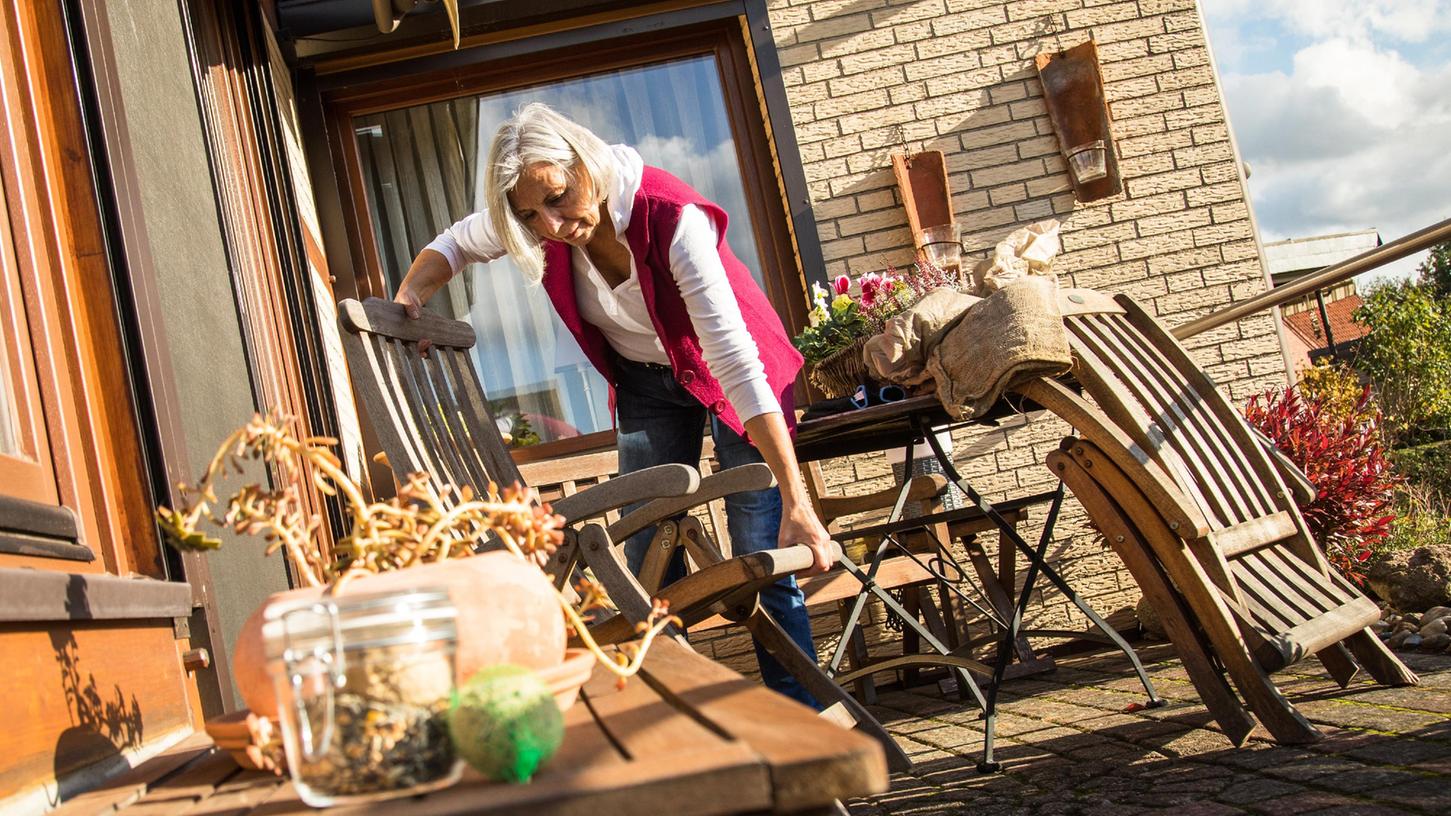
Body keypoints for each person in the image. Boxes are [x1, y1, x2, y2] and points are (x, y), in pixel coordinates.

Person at [393, 103, 831, 707]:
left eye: (558, 197)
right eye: (528, 214)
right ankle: (675, 710)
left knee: (762, 538)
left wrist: (799, 501)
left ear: (584, 162)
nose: (550, 223)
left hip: (731, 368)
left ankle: (799, 714)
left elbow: (735, 362)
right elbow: (455, 244)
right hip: (647, 382)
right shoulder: (532, 216)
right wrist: (411, 294)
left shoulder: (670, 217)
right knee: (648, 551)